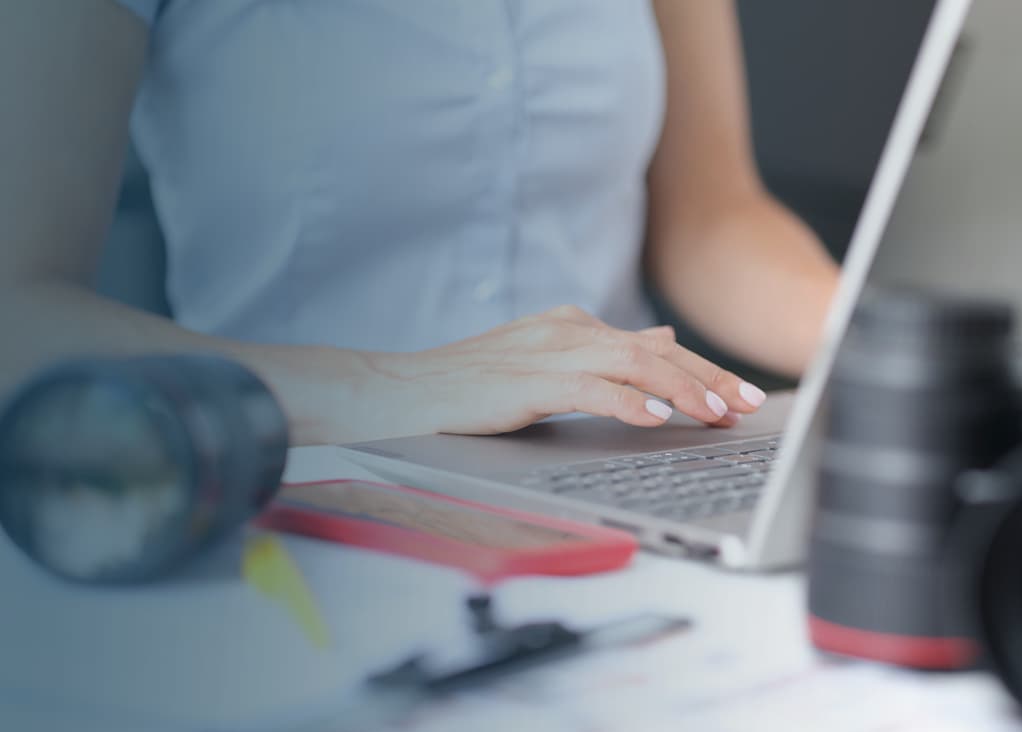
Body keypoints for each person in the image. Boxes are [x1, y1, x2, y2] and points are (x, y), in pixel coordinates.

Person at [0, 0, 839, 445]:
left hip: (619, 471)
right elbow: (18, 312)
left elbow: (710, 217)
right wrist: (408, 388)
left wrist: (889, 344)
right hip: (303, 485)